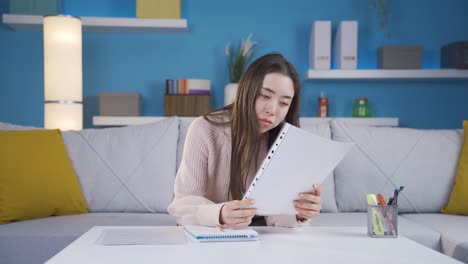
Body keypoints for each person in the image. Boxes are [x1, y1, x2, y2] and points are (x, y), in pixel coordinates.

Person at [167, 53, 322, 228]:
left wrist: (300, 214)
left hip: (262, 238)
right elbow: (182, 206)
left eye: (284, 103)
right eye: (265, 96)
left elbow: (276, 217)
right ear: (247, 91)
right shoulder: (204, 129)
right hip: (211, 233)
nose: (272, 110)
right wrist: (220, 214)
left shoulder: (285, 140)